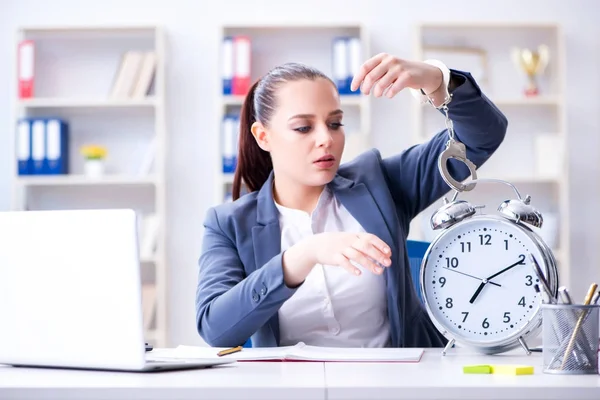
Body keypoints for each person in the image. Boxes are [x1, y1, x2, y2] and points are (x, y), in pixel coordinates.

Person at [195, 53, 508, 348]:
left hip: (399, 382)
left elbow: (482, 137)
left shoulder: (378, 183)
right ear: (263, 136)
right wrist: (303, 255)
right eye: (303, 127)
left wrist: (437, 80)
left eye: (334, 123)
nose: (326, 139)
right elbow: (216, 329)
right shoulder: (228, 224)